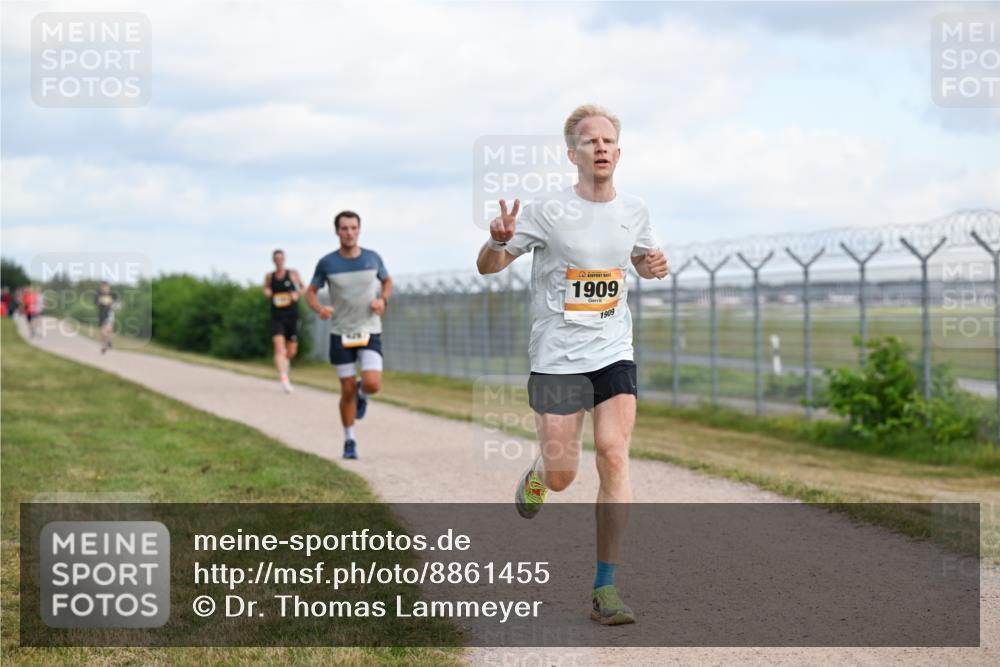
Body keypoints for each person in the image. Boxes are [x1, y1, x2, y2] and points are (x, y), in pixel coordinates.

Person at [476, 104, 669, 626]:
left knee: (613, 455)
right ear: (572, 154)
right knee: (564, 474)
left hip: (613, 349)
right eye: (590, 141)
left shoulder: (635, 209)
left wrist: (651, 267)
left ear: (619, 152)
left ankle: (605, 587)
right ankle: (540, 472)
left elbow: (640, 260)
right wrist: (498, 239)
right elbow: (488, 266)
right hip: (558, 353)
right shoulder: (545, 211)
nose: (601, 147)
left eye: (608, 141)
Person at [305, 210, 392, 460]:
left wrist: (382, 300)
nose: (349, 233)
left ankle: (362, 393)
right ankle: (349, 440)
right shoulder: (327, 263)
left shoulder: (373, 258)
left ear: (359, 230)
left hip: (369, 329)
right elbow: (310, 292)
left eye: (353, 228)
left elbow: (387, 282)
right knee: (346, 391)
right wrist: (320, 309)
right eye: (344, 228)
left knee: (372, 384)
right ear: (337, 231)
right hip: (340, 332)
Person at [263, 250, 305, 393]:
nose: (279, 261)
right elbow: (266, 290)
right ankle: (284, 378)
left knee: (291, 351)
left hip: (292, 316)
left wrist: (296, 294)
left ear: (284, 260)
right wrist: (268, 293)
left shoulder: (293, 273)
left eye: (281, 259)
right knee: (279, 347)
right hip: (277, 316)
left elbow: (303, 288)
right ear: (273, 261)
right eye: (276, 259)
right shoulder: (270, 276)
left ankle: (285, 364)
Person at [95, 282, 119, 353]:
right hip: (101, 315)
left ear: (109, 287)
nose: (105, 289)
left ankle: (108, 343)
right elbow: (96, 303)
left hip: (109, 314)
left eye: (107, 287)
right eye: (103, 287)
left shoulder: (112, 295)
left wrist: (111, 303)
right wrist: (101, 302)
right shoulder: (98, 294)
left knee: (108, 329)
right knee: (102, 332)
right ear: (101, 288)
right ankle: (105, 345)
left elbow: (116, 303)